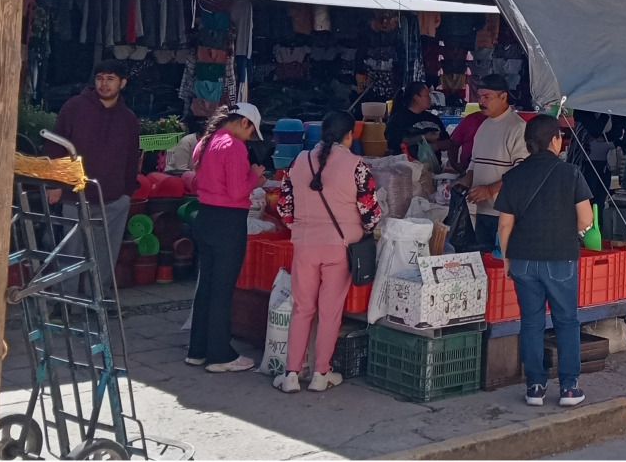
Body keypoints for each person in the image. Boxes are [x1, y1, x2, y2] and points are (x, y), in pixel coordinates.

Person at [273, 111, 380, 394]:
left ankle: (291, 374)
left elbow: (284, 207)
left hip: (305, 245)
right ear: (350, 135)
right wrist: (365, 229)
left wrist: (304, 226)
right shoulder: (357, 166)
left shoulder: (298, 161)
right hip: (340, 247)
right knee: (330, 312)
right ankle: (321, 373)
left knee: (302, 308)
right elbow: (370, 212)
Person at [495, 114, 592, 408]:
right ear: (555, 140)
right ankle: (569, 388)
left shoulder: (513, 177)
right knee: (566, 322)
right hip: (560, 259)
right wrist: (564, 232)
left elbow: (504, 226)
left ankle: (535, 387)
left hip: (523, 258)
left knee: (532, 323)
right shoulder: (571, 173)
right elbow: (586, 218)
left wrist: (507, 258)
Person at [45, 60, 142, 289]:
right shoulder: (75, 107)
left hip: (114, 198)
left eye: (110, 79)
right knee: (70, 253)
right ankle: (65, 305)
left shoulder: (128, 119)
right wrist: (53, 183)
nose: (104, 84)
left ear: (122, 82)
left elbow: (131, 158)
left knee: (105, 255)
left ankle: (96, 303)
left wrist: (127, 193)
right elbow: (55, 145)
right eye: (100, 78)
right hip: (75, 194)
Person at [186, 102, 264, 373]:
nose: (250, 137)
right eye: (252, 130)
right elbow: (236, 191)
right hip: (227, 221)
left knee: (206, 285)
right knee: (222, 288)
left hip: (205, 216)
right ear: (244, 122)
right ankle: (220, 354)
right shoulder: (233, 146)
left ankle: (197, 349)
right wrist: (254, 177)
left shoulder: (207, 142)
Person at [457, 75, 529, 252]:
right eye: (479, 96)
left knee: (503, 264)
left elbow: (522, 171)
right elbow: (474, 164)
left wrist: (490, 189)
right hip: (482, 211)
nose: (481, 101)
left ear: (503, 97)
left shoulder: (518, 128)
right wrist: (463, 182)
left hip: (505, 214)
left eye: (487, 97)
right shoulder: (484, 126)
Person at [384, 82, 446, 165]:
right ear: (416, 97)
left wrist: (438, 145)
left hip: (434, 168)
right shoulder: (398, 119)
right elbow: (393, 143)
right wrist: (423, 138)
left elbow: (449, 142)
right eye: (427, 95)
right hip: (407, 167)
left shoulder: (434, 118)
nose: (430, 98)